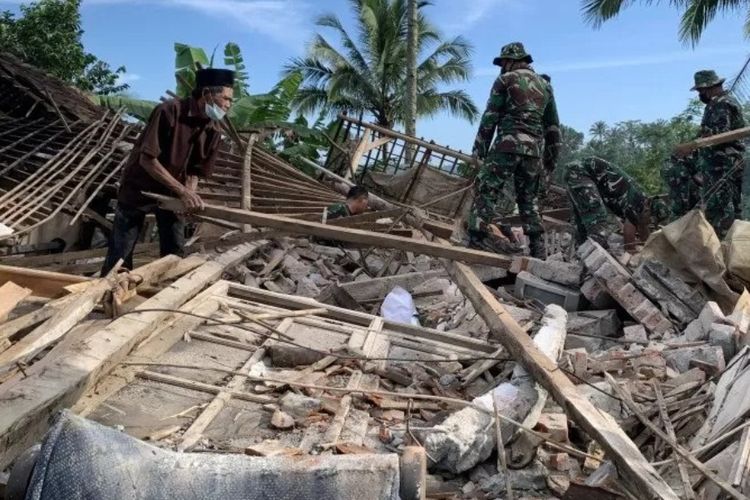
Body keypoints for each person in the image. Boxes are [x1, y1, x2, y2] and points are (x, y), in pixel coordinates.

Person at [101, 68, 235, 274]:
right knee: (121, 253)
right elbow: (147, 159)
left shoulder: (213, 128)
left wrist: (189, 194)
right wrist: (183, 191)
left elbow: (195, 170)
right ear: (207, 94)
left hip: (173, 193)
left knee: (174, 251)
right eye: (225, 98)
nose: (228, 105)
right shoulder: (169, 111)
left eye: (230, 101)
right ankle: (108, 293)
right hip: (140, 187)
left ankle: (167, 293)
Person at [468, 42, 561, 258]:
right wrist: (550, 161)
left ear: (511, 61)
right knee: (528, 198)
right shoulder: (545, 86)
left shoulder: (505, 80)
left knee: (487, 188)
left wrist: (479, 151)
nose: (501, 66)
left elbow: (490, 117)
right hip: (533, 152)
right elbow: (553, 127)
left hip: (507, 145)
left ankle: (476, 239)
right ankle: (538, 248)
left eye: (503, 62)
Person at [665, 70, 746, 237]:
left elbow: (719, 135)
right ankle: (733, 247)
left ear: (708, 88)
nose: (700, 95)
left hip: (723, 165)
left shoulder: (720, 104)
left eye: (701, 91)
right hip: (723, 164)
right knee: (729, 206)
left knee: (720, 208)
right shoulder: (723, 102)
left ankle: (722, 248)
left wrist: (691, 146)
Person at [566, 157, 669, 251]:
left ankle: (581, 253)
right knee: (598, 223)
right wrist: (634, 255)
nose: (648, 223)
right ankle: (596, 254)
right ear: (648, 210)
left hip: (576, 172)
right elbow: (629, 239)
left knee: (582, 224)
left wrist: (650, 249)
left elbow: (642, 227)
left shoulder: (643, 205)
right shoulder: (638, 202)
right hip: (580, 173)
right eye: (650, 220)